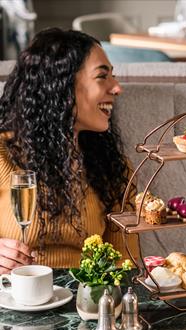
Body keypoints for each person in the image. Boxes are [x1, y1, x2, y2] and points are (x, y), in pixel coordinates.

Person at [0, 28, 138, 274]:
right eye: (102, 77)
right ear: (62, 85)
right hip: (12, 301)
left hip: (85, 304)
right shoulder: (2, 154)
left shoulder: (115, 169)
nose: (117, 88)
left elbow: (125, 265)